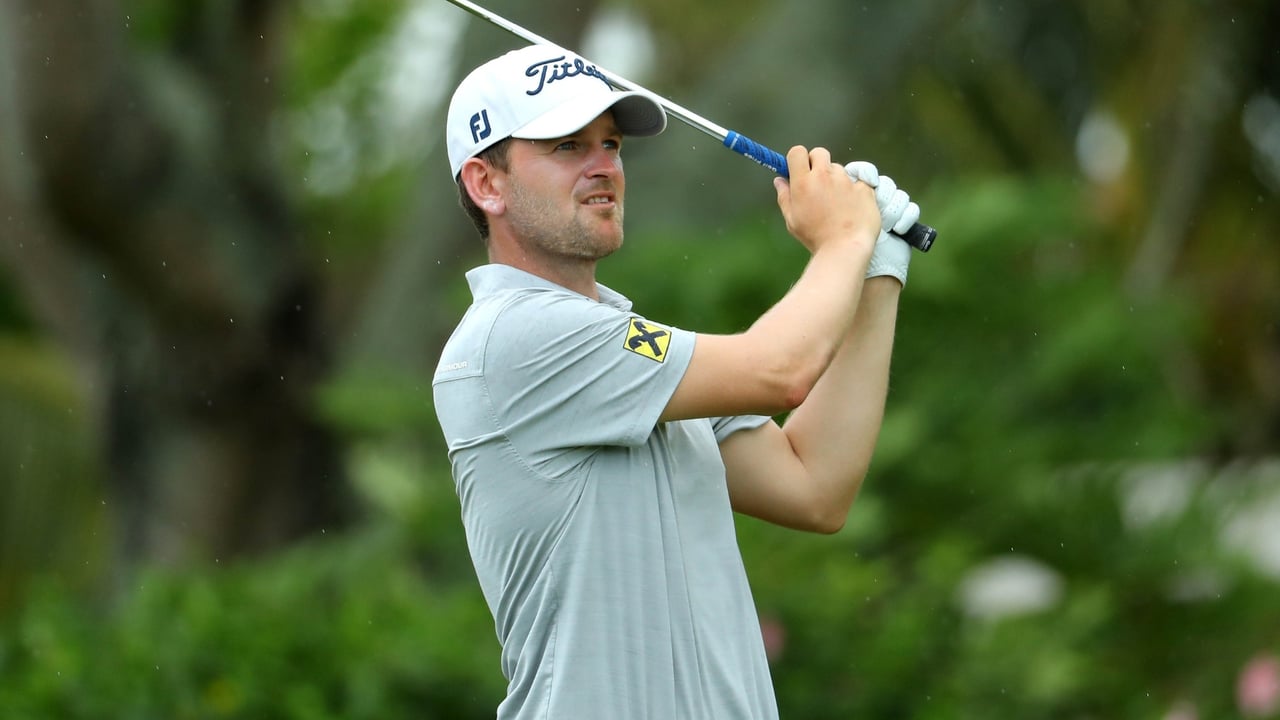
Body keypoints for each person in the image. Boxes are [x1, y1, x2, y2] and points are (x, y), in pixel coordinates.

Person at [433, 44, 919, 720]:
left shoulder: (628, 348)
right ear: (488, 184)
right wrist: (842, 241)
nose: (604, 165)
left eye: (610, 144)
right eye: (568, 145)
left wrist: (875, 271)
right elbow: (778, 371)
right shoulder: (513, 337)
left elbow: (814, 486)